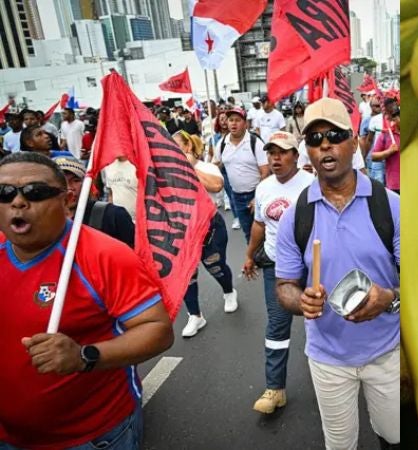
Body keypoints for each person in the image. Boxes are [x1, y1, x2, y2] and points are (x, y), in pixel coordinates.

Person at [0, 151, 173, 449]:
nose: (18, 202)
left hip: (93, 436)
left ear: (67, 200)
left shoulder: (104, 255)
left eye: (36, 192)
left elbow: (157, 330)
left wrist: (83, 356)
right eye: (4, 192)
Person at [275, 98, 400, 449]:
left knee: (393, 435)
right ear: (307, 153)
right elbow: (284, 285)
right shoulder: (295, 216)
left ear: (354, 141)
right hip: (327, 358)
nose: (325, 144)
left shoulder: (390, 207)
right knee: (340, 444)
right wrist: (302, 301)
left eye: (334, 134)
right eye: (314, 139)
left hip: (386, 352)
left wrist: (388, 298)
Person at [243, 131, 314, 414]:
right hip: (276, 267)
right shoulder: (264, 188)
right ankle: (275, 389)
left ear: (296, 156)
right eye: (271, 152)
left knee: (320, 321)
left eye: (283, 152)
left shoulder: (312, 184)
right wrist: (249, 255)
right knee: (277, 327)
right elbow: (260, 225)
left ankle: (337, 380)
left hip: (311, 268)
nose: (276, 157)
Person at [172, 131, 239, 336]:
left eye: (175, 145)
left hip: (210, 228)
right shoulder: (168, 170)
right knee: (186, 275)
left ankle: (229, 292)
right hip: (182, 230)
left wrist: (190, 168)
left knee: (216, 267)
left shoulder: (205, 167)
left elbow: (217, 186)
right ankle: (195, 316)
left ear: (188, 147)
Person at [212, 107, 269, 242]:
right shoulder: (222, 144)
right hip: (236, 196)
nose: (233, 123)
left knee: (263, 233)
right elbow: (216, 166)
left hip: (256, 195)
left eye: (237, 120)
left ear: (245, 124)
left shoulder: (255, 143)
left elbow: (265, 172)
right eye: (230, 120)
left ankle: (266, 261)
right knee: (248, 233)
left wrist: (257, 198)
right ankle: (254, 261)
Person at [54, 155, 135, 248]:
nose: (69, 188)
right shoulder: (43, 224)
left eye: (75, 181)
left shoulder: (112, 216)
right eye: (62, 182)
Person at [369, 111, 400, 194]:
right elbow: (373, 156)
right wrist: (389, 151)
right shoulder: (386, 135)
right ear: (395, 119)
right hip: (395, 185)